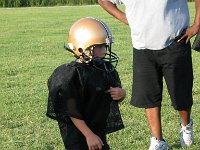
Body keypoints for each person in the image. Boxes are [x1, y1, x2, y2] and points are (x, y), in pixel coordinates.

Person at [98, 0, 200, 149]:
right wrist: (124, 17)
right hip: (142, 45)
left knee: (181, 96)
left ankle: (186, 124)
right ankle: (158, 140)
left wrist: (197, 25)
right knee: (149, 96)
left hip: (176, 40)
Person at [46, 17, 126, 150]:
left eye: (105, 46)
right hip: (79, 133)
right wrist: (88, 134)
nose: (105, 51)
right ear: (82, 48)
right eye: (100, 47)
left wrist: (121, 94)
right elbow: (71, 111)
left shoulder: (102, 68)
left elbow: (115, 93)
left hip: (97, 129)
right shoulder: (72, 75)